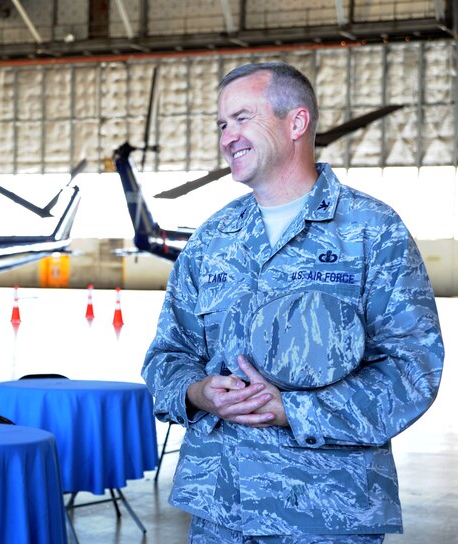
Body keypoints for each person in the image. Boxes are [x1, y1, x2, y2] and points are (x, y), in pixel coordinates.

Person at [142, 62, 444, 542]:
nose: (227, 137)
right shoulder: (212, 239)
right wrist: (198, 393)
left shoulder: (372, 231)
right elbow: (166, 357)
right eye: (222, 124)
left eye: (242, 118)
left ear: (296, 122)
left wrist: (294, 411)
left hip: (328, 513)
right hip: (220, 513)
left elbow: (412, 370)